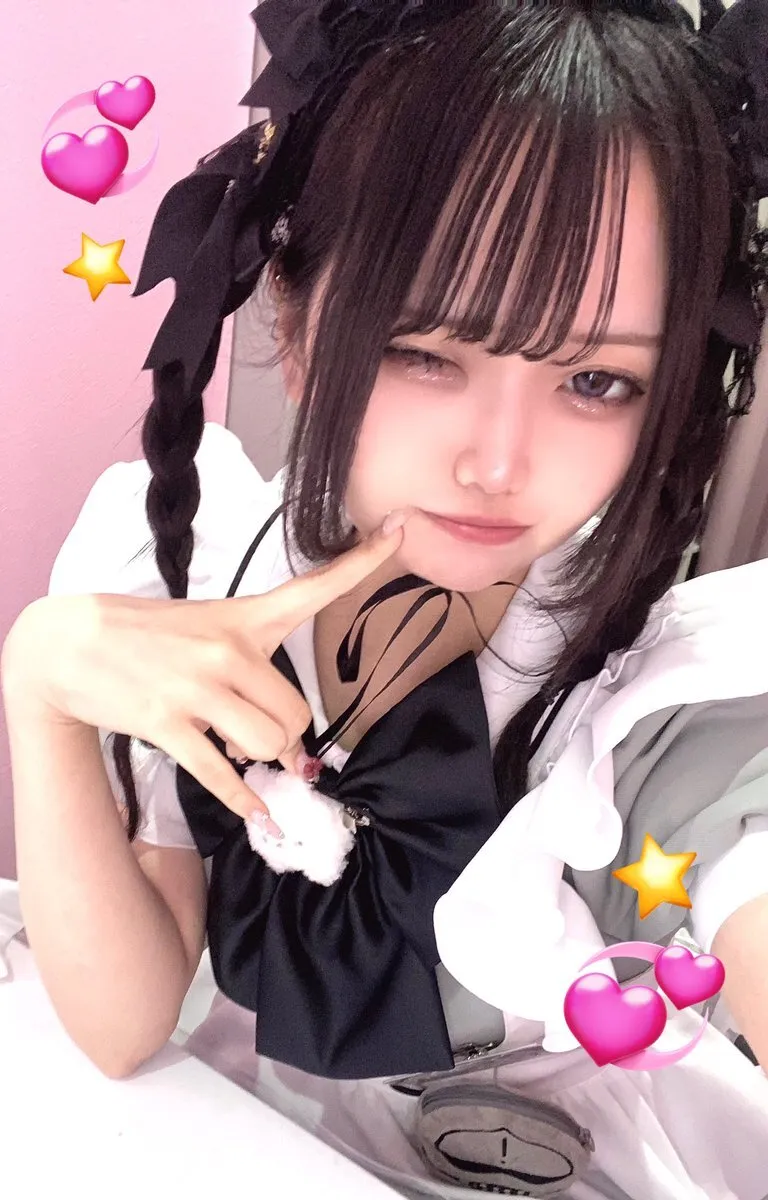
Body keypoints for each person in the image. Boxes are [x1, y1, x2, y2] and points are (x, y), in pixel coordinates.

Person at [4, 0, 768, 1196]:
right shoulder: (204, 570)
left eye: (596, 379)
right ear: (295, 317)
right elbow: (120, 1024)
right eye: (426, 353)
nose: (500, 462)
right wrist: (43, 684)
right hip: (244, 1139)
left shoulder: (654, 699)